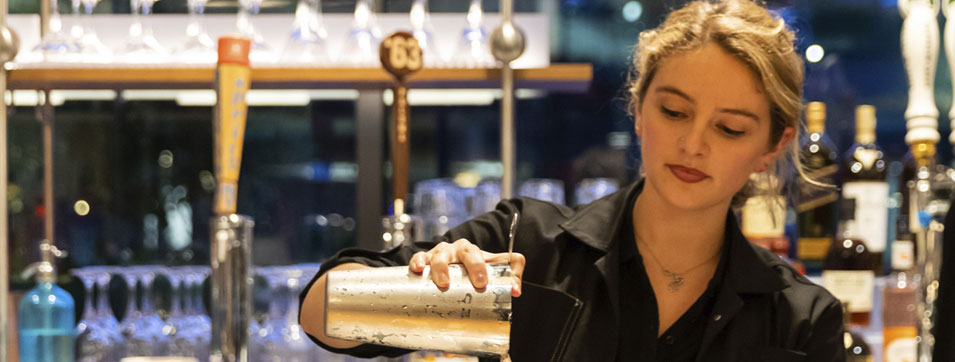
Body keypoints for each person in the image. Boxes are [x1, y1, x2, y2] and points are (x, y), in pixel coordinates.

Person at [299, 0, 844, 361]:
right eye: (674, 112)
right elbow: (320, 314)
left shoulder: (798, 319)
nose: (693, 144)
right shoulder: (524, 241)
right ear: (636, 108)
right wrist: (424, 287)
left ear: (772, 146)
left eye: (728, 128)